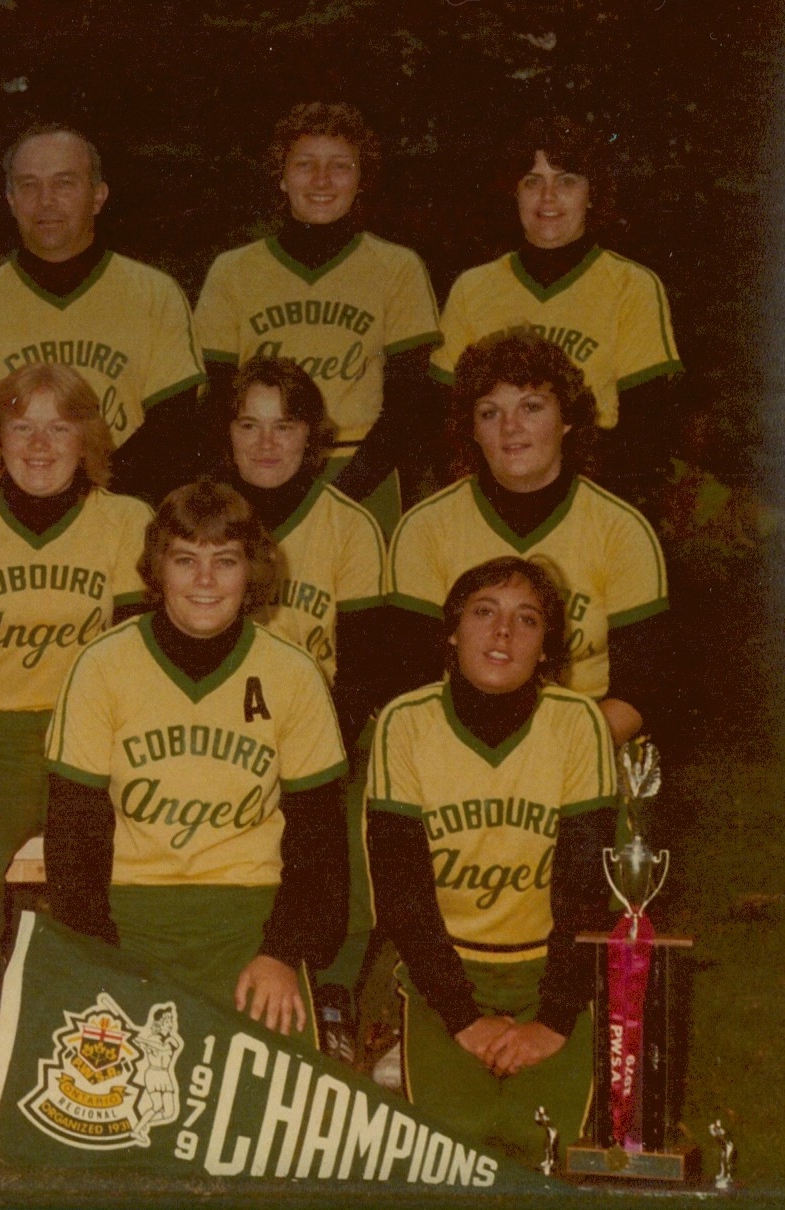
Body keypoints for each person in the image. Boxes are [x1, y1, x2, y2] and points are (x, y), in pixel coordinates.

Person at [44, 480, 348, 1036]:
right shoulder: (102, 665)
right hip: (131, 908)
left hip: (251, 915)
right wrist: (101, 956)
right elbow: (73, 838)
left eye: (225, 561)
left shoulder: (293, 673)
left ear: (251, 571)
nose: (205, 581)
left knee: (258, 1110)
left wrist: (281, 953)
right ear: (158, 570)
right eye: (186, 560)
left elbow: (319, 841)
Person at [0, 361, 150, 1050]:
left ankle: (89, 983)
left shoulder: (126, 520)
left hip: (96, 734)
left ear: (87, 440)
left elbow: (135, 658)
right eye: (21, 428)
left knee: (110, 852)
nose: (39, 447)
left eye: (59, 428)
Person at [368, 556, 615, 1167]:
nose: (502, 633)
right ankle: (402, 1044)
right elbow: (402, 892)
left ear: (545, 648)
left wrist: (553, 1021)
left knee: (546, 1150)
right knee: (451, 1152)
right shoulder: (405, 722)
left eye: (526, 620)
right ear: (452, 632)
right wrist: (463, 1017)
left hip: (550, 976)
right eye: (484, 613)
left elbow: (587, 886)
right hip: (448, 976)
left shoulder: (577, 722)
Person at [215, 355, 388, 1062]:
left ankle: (337, 982)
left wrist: (311, 753)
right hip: (217, 727)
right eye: (249, 425)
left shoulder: (349, 526)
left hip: (324, 730)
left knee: (356, 811)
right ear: (227, 433)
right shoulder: (204, 515)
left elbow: (368, 666)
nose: (265, 443)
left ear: (313, 437)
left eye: (284, 426)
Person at [388, 328, 670, 747]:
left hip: (585, 741)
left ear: (567, 418)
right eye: (489, 413)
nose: (511, 428)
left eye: (531, 407)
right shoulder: (425, 527)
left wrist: (551, 759)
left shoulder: (621, 529)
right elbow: (411, 685)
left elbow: (641, 693)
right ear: (472, 428)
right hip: (457, 744)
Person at [193, 103, 441, 535]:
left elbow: (409, 405)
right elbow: (216, 399)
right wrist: (254, 486)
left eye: (340, 166)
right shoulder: (233, 270)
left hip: (363, 472)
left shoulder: (397, 267)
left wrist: (341, 496)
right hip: (260, 472)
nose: (322, 181)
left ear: (361, 180)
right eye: (305, 164)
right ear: (281, 176)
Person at [0, 124, 205, 501]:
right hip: (11, 521)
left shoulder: (154, 295)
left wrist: (89, 507)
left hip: (125, 520)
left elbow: (171, 435)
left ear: (98, 196)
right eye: (29, 185)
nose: (46, 201)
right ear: (10, 199)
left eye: (64, 184)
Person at [432, 116, 682, 512]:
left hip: (597, 492)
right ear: (513, 193)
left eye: (566, 180)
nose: (548, 197)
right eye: (532, 182)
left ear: (592, 193)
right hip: (492, 493)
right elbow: (446, 420)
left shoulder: (631, 284)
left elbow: (646, 431)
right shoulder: (473, 287)